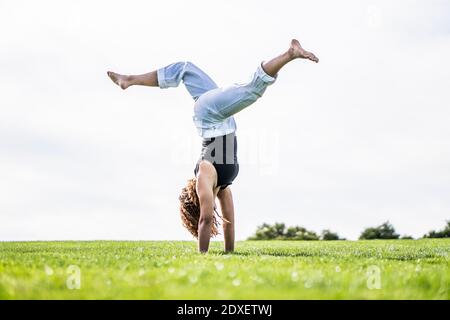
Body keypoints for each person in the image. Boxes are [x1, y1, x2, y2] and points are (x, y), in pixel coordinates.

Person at [107, 39, 318, 253]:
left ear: (197, 202)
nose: (207, 205)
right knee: (185, 69)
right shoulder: (224, 186)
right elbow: (228, 222)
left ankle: (290, 54)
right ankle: (128, 80)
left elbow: (206, 220)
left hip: (210, 116)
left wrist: (203, 255)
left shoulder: (204, 175)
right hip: (219, 117)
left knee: (252, 89)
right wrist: (229, 253)